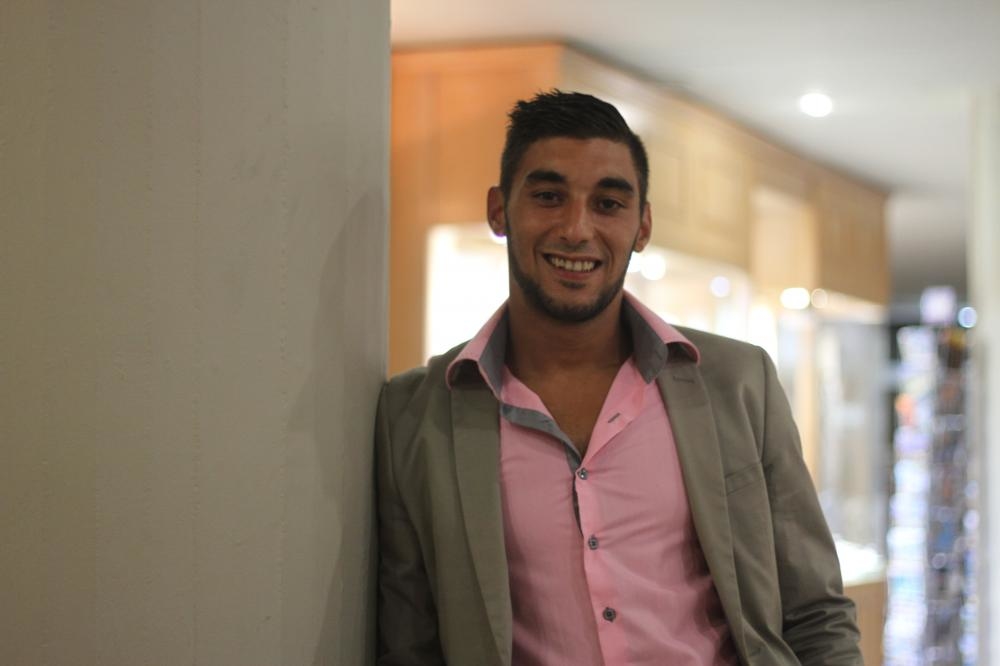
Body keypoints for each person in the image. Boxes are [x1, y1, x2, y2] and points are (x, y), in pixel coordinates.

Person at [375, 90, 862, 665]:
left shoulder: (737, 383)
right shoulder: (415, 416)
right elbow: (410, 646)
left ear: (642, 225)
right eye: (549, 197)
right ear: (499, 210)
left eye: (608, 204)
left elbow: (816, 614)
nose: (576, 229)